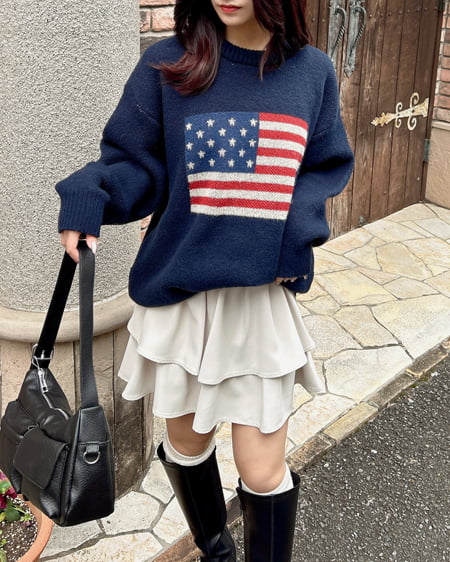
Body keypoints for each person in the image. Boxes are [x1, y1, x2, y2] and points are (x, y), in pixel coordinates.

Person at [57, 1, 354, 560]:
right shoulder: (168, 64)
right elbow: (135, 163)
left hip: (259, 300)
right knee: (188, 443)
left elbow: (324, 166)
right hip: (182, 294)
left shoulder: (311, 71)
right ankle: (216, 551)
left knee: (262, 470)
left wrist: (296, 236)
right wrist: (88, 196)